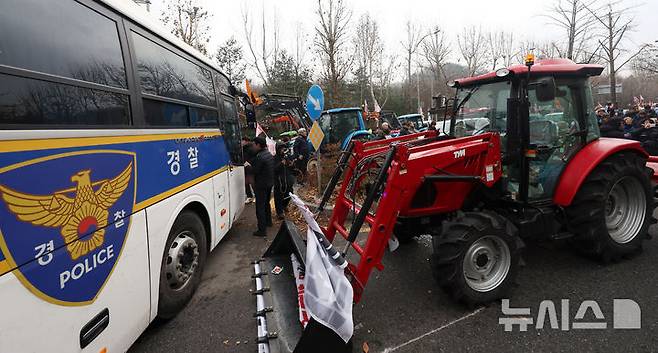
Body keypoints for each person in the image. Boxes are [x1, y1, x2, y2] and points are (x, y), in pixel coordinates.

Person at [249, 137, 274, 236]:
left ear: (258, 145)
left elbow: (255, 170)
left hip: (261, 185)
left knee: (260, 207)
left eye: (254, 144)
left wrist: (248, 166)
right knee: (266, 204)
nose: (253, 147)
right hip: (269, 183)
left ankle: (262, 230)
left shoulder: (260, 157)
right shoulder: (268, 154)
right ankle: (268, 222)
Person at [273, 142, 295, 219]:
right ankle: (279, 212)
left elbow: (292, 168)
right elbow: (274, 169)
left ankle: (284, 205)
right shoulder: (275, 158)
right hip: (279, 181)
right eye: (281, 148)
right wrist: (281, 164)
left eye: (284, 148)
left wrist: (291, 164)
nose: (283, 150)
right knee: (278, 197)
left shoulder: (287, 156)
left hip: (287, 179)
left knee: (290, 194)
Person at [241, 137, 255, 203]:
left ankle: (256, 196)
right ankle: (249, 196)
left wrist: (249, 162)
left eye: (242, 141)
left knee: (252, 183)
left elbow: (255, 158)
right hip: (245, 168)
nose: (241, 142)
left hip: (250, 168)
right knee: (246, 183)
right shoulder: (243, 149)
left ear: (246, 141)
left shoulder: (251, 148)